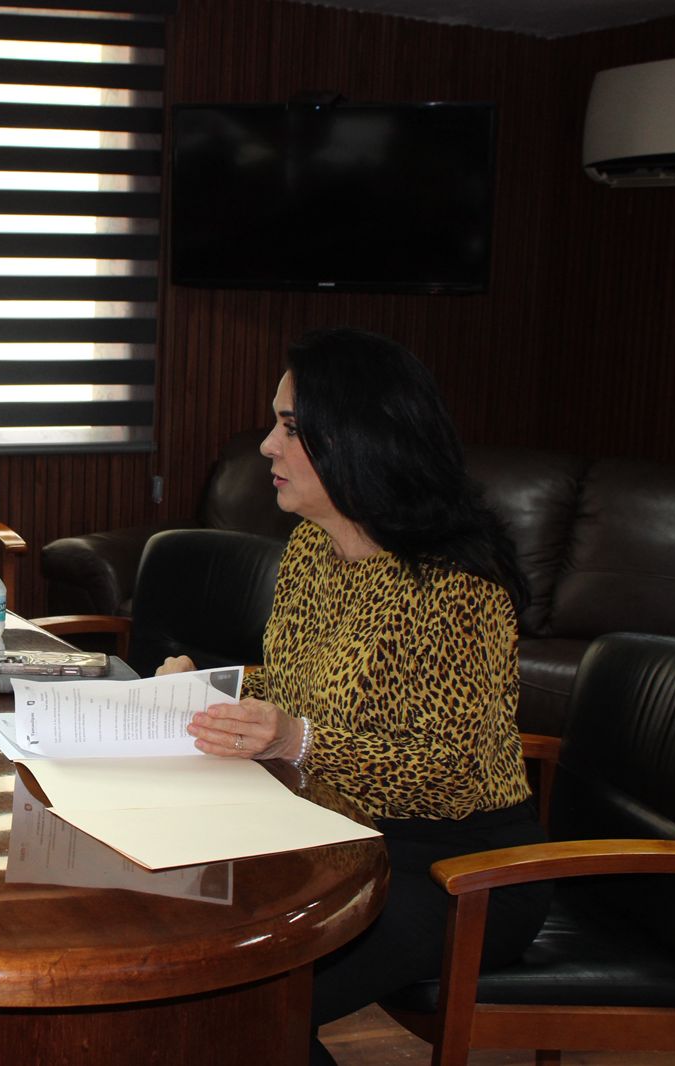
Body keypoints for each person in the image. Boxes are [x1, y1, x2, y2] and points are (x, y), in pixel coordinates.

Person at [160, 328, 549, 1066]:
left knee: (240, 1002)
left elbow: (448, 774)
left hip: (461, 871)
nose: (267, 446)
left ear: (357, 442)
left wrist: (294, 740)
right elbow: (297, 689)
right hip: (338, 831)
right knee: (196, 958)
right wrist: (210, 692)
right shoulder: (313, 547)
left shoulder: (454, 589)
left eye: (291, 428)